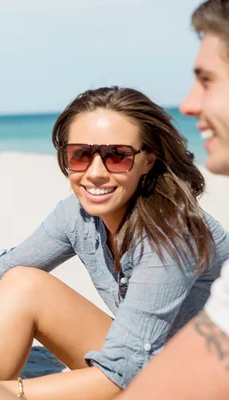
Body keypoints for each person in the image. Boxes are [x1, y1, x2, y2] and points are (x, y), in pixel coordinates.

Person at [0, 85, 229, 399]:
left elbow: (122, 372)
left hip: (203, 382)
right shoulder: (78, 216)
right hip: (146, 364)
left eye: (117, 156)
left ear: (148, 160)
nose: (95, 173)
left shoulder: (169, 234)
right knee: (23, 282)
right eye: (80, 155)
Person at [118, 1, 229, 398]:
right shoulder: (75, 214)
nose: (188, 104)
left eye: (208, 80)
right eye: (78, 154)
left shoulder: (173, 229)